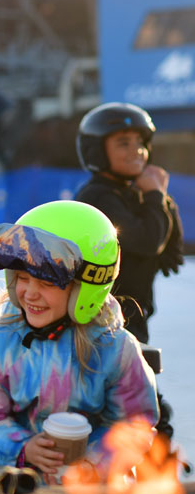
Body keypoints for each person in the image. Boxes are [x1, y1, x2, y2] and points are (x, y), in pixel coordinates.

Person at [0, 200, 159, 480]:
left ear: (85, 289)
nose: (30, 293)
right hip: (13, 486)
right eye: (23, 278)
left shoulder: (114, 348)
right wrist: (21, 448)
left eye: (47, 283)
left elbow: (133, 425)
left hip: (93, 492)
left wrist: (94, 463)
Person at [74, 102, 184, 344]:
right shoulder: (98, 196)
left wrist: (161, 199)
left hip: (132, 320)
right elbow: (147, 242)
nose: (137, 150)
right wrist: (155, 196)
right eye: (124, 143)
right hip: (101, 325)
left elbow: (171, 255)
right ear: (97, 151)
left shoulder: (133, 195)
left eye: (140, 142)